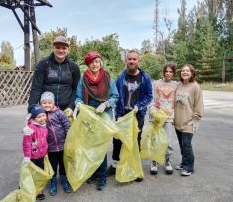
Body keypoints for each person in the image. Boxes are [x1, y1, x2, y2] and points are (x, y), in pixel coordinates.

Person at [74, 51, 119, 190]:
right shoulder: (83, 80)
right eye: (92, 62)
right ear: (88, 64)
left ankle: (102, 177)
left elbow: (115, 96)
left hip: (104, 114)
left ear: (101, 63)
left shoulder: (108, 78)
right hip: (88, 116)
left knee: (101, 147)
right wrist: (79, 104)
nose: (95, 64)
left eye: (97, 61)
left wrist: (105, 104)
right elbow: (78, 97)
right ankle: (93, 172)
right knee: (90, 146)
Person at [107, 50, 153, 181]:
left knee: (135, 140)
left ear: (139, 61)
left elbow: (149, 96)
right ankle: (115, 165)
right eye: (129, 59)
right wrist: (117, 111)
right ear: (126, 61)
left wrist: (139, 105)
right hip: (122, 114)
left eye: (134, 59)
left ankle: (135, 168)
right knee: (117, 140)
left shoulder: (145, 78)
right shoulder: (121, 77)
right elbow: (115, 95)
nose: (132, 61)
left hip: (137, 115)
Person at [28, 35, 81, 114]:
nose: (61, 50)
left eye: (64, 48)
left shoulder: (74, 67)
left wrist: (71, 107)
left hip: (67, 111)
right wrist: (31, 110)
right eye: (58, 47)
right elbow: (36, 89)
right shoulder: (43, 64)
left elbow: (76, 90)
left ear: (68, 50)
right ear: (53, 48)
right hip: (46, 110)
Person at [174, 64, 203, 176]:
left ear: (192, 73)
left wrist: (197, 118)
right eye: (183, 71)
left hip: (189, 122)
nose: (184, 72)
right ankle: (183, 162)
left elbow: (199, 103)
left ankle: (189, 167)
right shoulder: (179, 85)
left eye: (187, 71)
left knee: (186, 144)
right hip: (178, 120)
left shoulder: (195, 86)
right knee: (182, 145)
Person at [40, 91, 71, 195]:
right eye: (44, 102)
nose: (47, 105)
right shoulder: (41, 115)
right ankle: (53, 181)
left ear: (53, 103)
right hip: (50, 146)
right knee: (53, 165)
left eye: (49, 102)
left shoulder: (59, 113)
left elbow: (66, 125)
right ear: (41, 103)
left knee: (63, 164)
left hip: (63, 144)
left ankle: (64, 179)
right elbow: (35, 123)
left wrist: (68, 138)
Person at [149, 63, 178, 175]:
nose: (168, 73)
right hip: (156, 116)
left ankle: (167, 160)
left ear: (173, 73)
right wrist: (152, 111)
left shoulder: (176, 85)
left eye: (171, 71)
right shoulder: (156, 83)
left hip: (169, 117)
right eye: (166, 71)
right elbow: (151, 98)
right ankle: (154, 161)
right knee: (155, 140)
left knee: (168, 141)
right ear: (163, 72)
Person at [22, 104, 48, 200]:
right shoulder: (30, 129)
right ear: (33, 118)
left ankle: (39, 189)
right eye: (39, 117)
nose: (42, 118)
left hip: (41, 155)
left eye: (43, 115)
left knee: (40, 172)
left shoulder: (44, 127)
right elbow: (26, 143)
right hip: (32, 156)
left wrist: (46, 153)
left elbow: (45, 141)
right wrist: (27, 156)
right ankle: (26, 187)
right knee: (32, 173)